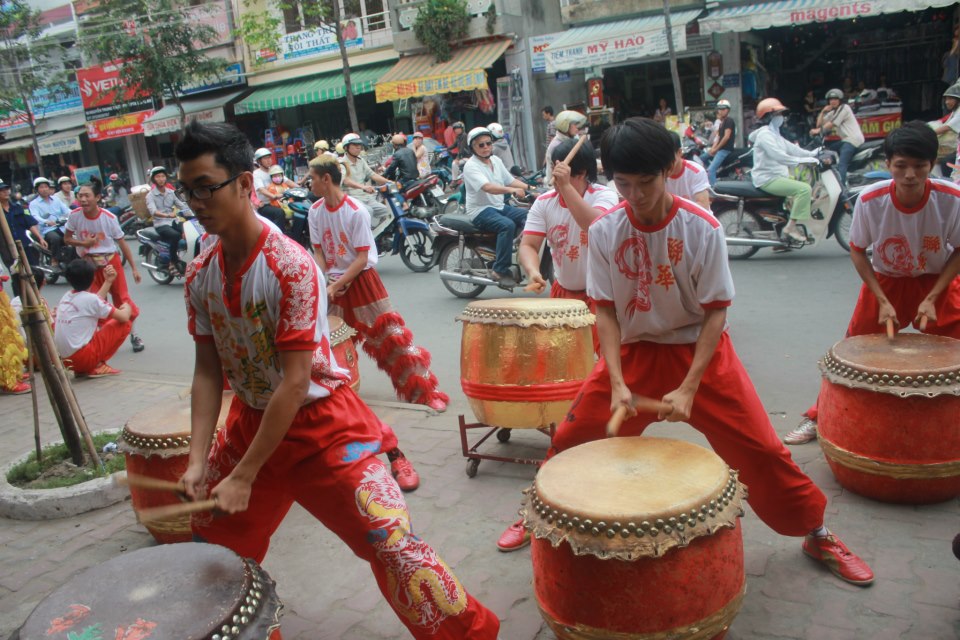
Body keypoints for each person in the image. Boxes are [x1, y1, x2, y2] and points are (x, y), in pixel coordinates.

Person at [495, 118, 875, 588]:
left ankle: (816, 531)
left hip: (701, 356)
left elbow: (716, 313)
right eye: (623, 183)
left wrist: (690, 386)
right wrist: (614, 381)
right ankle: (537, 516)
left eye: (646, 181)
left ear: (671, 169)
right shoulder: (607, 230)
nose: (635, 195)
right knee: (573, 438)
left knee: (762, 450)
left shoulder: (703, 228)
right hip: (633, 357)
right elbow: (607, 312)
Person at [174, 123, 500, 639]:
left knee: (394, 546)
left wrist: (243, 475)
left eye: (204, 186)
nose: (194, 201)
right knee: (211, 548)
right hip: (251, 425)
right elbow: (207, 371)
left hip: (321, 428)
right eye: (185, 189)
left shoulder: (289, 265)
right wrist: (198, 460)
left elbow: (296, 383)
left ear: (242, 184)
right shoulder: (199, 276)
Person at [786, 122, 960, 445]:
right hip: (886, 283)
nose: (910, 175)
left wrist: (933, 297)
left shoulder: (952, 199)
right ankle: (820, 416)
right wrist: (880, 300)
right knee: (853, 350)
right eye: (901, 166)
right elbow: (857, 251)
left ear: (932, 164)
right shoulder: (871, 200)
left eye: (920, 166)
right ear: (888, 164)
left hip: (936, 282)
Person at [307, 155, 449, 413]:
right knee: (326, 343)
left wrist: (337, 284)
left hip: (362, 282)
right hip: (333, 285)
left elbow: (362, 258)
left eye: (312, 178)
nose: (309, 183)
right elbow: (319, 252)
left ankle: (426, 392)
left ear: (326, 179)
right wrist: (324, 281)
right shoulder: (315, 211)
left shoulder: (355, 211)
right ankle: (333, 400)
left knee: (392, 339)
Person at [519, 138, 618, 351]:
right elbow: (528, 245)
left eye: (561, 173)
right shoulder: (545, 202)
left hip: (600, 298)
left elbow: (593, 226)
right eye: (554, 171)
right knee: (562, 362)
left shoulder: (605, 196)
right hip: (563, 293)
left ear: (581, 174)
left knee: (600, 364)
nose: (554, 179)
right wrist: (533, 270)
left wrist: (565, 187)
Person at [63, 180, 144, 353]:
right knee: (94, 300)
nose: (83, 199)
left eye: (87, 196)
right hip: (88, 265)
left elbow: (122, 243)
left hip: (110, 261)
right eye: (80, 196)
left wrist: (134, 268)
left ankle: (134, 335)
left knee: (122, 298)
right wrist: (83, 242)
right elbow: (67, 239)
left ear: (98, 197)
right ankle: (99, 339)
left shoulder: (109, 217)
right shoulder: (74, 215)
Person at [462, 127, 535, 286]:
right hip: (480, 210)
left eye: (488, 143)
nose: (486, 147)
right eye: (480, 145)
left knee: (531, 216)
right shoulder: (471, 166)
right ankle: (499, 269)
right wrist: (512, 190)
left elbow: (510, 180)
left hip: (498, 206)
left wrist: (532, 189)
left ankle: (521, 251)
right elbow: (487, 187)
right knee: (506, 225)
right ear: (473, 148)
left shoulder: (496, 161)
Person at [750, 97, 822, 245]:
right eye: (778, 114)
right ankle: (790, 228)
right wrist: (806, 161)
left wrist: (812, 154)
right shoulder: (765, 136)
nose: (781, 118)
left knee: (800, 190)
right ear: (769, 116)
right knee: (804, 190)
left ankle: (783, 240)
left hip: (777, 176)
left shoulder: (774, 133)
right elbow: (780, 156)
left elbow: (791, 148)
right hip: (768, 179)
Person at [55, 260, 133, 377]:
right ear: (93, 278)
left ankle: (85, 368)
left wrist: (108, 281)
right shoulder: (90, 300)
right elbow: (124, 317)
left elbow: (95, 303)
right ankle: (97, 365)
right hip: (83, 358)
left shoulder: (67, 296)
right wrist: (127, 307)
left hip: (66, 361)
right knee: (125, 324)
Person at [0, 178, 46, 299]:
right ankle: (20, 300)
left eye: (6, 189)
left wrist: (40, 238)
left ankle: (36, 297)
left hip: (25, 245)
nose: (5, 192)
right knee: (17, 275)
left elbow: (29, 224)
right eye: (1, 190)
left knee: (34, 272)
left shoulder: (18, 207)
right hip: (8, 250)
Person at [811, 88, 865, 185]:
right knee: (829, 150)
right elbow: (819, 124)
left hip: (852, 140)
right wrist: (823, 111)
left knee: (842, 164)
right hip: (845, 140)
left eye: (835, 99)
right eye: (831, 99)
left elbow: (832, 124)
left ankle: (842, 188)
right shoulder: (834, 112)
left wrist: (817, 131)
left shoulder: (845, 108)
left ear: (840, 100)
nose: (833, 101)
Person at [339, 132, 392, 231]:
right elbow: (345, 180)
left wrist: (389, 182)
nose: (358, 147)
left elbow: (372, 174)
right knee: (368, 211)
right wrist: (363, 187)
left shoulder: (361, 160)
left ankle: (381, 235)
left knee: (387, 211)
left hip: (366, 198)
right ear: (346, 147)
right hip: (352, 199)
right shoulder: (342, 163)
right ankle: (368, 239)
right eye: (354, 145)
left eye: (359, 145)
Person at [145, 166, 192, 276]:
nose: (161, 179)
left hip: (173, 221)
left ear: (166, 178)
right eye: (158, 177)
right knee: (175, 236)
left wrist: (192, 213)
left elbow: (182, 206)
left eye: (162, 176)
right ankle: (174, 261)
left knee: (189, 232)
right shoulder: (150, 196)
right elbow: (153, 211)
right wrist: (167, 215)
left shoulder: (171, 193)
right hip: (161, 224)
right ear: (153, 179)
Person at [28, 177, 71, 267]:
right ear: (37, 190)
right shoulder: (34, 204)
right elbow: (35, 216)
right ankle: (54, 259)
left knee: (72, 237)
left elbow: (66, 210)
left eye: (46, 187)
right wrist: (46, 221)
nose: (44, 189)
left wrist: (75, 214)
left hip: (62, 227)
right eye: (41, 187)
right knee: (55, 239)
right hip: (47, 230)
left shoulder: (56, 199)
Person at [666, 131, 712, 210]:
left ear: (679, 152)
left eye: (668, 157)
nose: (665, 162)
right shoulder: (657, 174)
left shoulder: (696, 172)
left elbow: (703, 205)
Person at [545, 110, 587, 185]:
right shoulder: (556, 145)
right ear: (565, 126)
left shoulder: (574, 139)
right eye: (574, 124)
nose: (577, 128)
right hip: (559, 185)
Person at [700, 99, 736, 185]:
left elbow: (726, 137)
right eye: (720, 109)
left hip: (725, 150)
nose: (721, 111)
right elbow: (719, 137)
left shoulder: (729, 121)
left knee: (711, 170)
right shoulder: (721, 123)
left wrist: (716, 149)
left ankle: (714, 190)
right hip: (720, 149)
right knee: (702, 158)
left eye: (724, 109)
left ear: (728, 110)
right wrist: (713, 148)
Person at [252, 147, 288, 228]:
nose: (268, 160)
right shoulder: (256, 174)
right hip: (266, 205)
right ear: (259, 161)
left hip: (281, 201)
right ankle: (278, 237)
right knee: (279, 213)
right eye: (265, 158)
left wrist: (300, 188)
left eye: (269, 157)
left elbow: (287, 181)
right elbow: (261, 189)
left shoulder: (274, 170)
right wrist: (273, 196)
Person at [930, 83, 960, 177]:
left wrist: (926, 134)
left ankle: (949, 183)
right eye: (946, 99)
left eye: (950, 99)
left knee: (946, 162)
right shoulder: (955, 111)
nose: (947, 102)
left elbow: (947, 128)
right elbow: (945, 123)